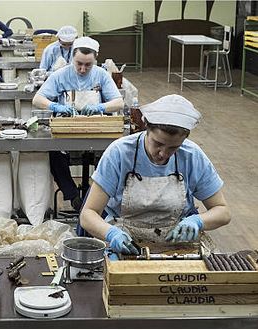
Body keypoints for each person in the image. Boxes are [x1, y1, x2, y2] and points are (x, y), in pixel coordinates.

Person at [80, 95, 231, 254]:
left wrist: (197, 221)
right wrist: (112, 234)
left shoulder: (192, 156)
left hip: (178, 243)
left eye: (173, 148)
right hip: (126, 243)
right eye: (158, 144)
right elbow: (88, 214)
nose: (163, 154)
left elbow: (222, 211)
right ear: (146, 127)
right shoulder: (119, 153)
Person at [32, 36, 124, 211]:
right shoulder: (61, 75)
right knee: (55, 156)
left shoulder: (101, 74)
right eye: (79, 64)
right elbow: (38, 99)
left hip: (97, 130)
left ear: (95, 59)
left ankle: (99, 198)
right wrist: (55, 105)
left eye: (88, 65)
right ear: (72, 58)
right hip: (66, 129)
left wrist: (100, 107)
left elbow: (118, 103)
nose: (82, 69)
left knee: (110, 156)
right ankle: (73, 195)